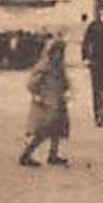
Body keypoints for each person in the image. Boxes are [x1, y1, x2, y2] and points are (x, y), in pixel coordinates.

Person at [20, 36, 70, 166]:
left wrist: (66, 91)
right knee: (41, 132)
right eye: (57, 51)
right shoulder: (44, 66)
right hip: (45, 104)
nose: (59, 55)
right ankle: (26, 154)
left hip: (58, 102)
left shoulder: (59, 67)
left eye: (61, 52)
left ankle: (53, 155)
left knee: (57, 130)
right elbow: (31, 84)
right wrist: (37, 95)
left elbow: (65, 82)